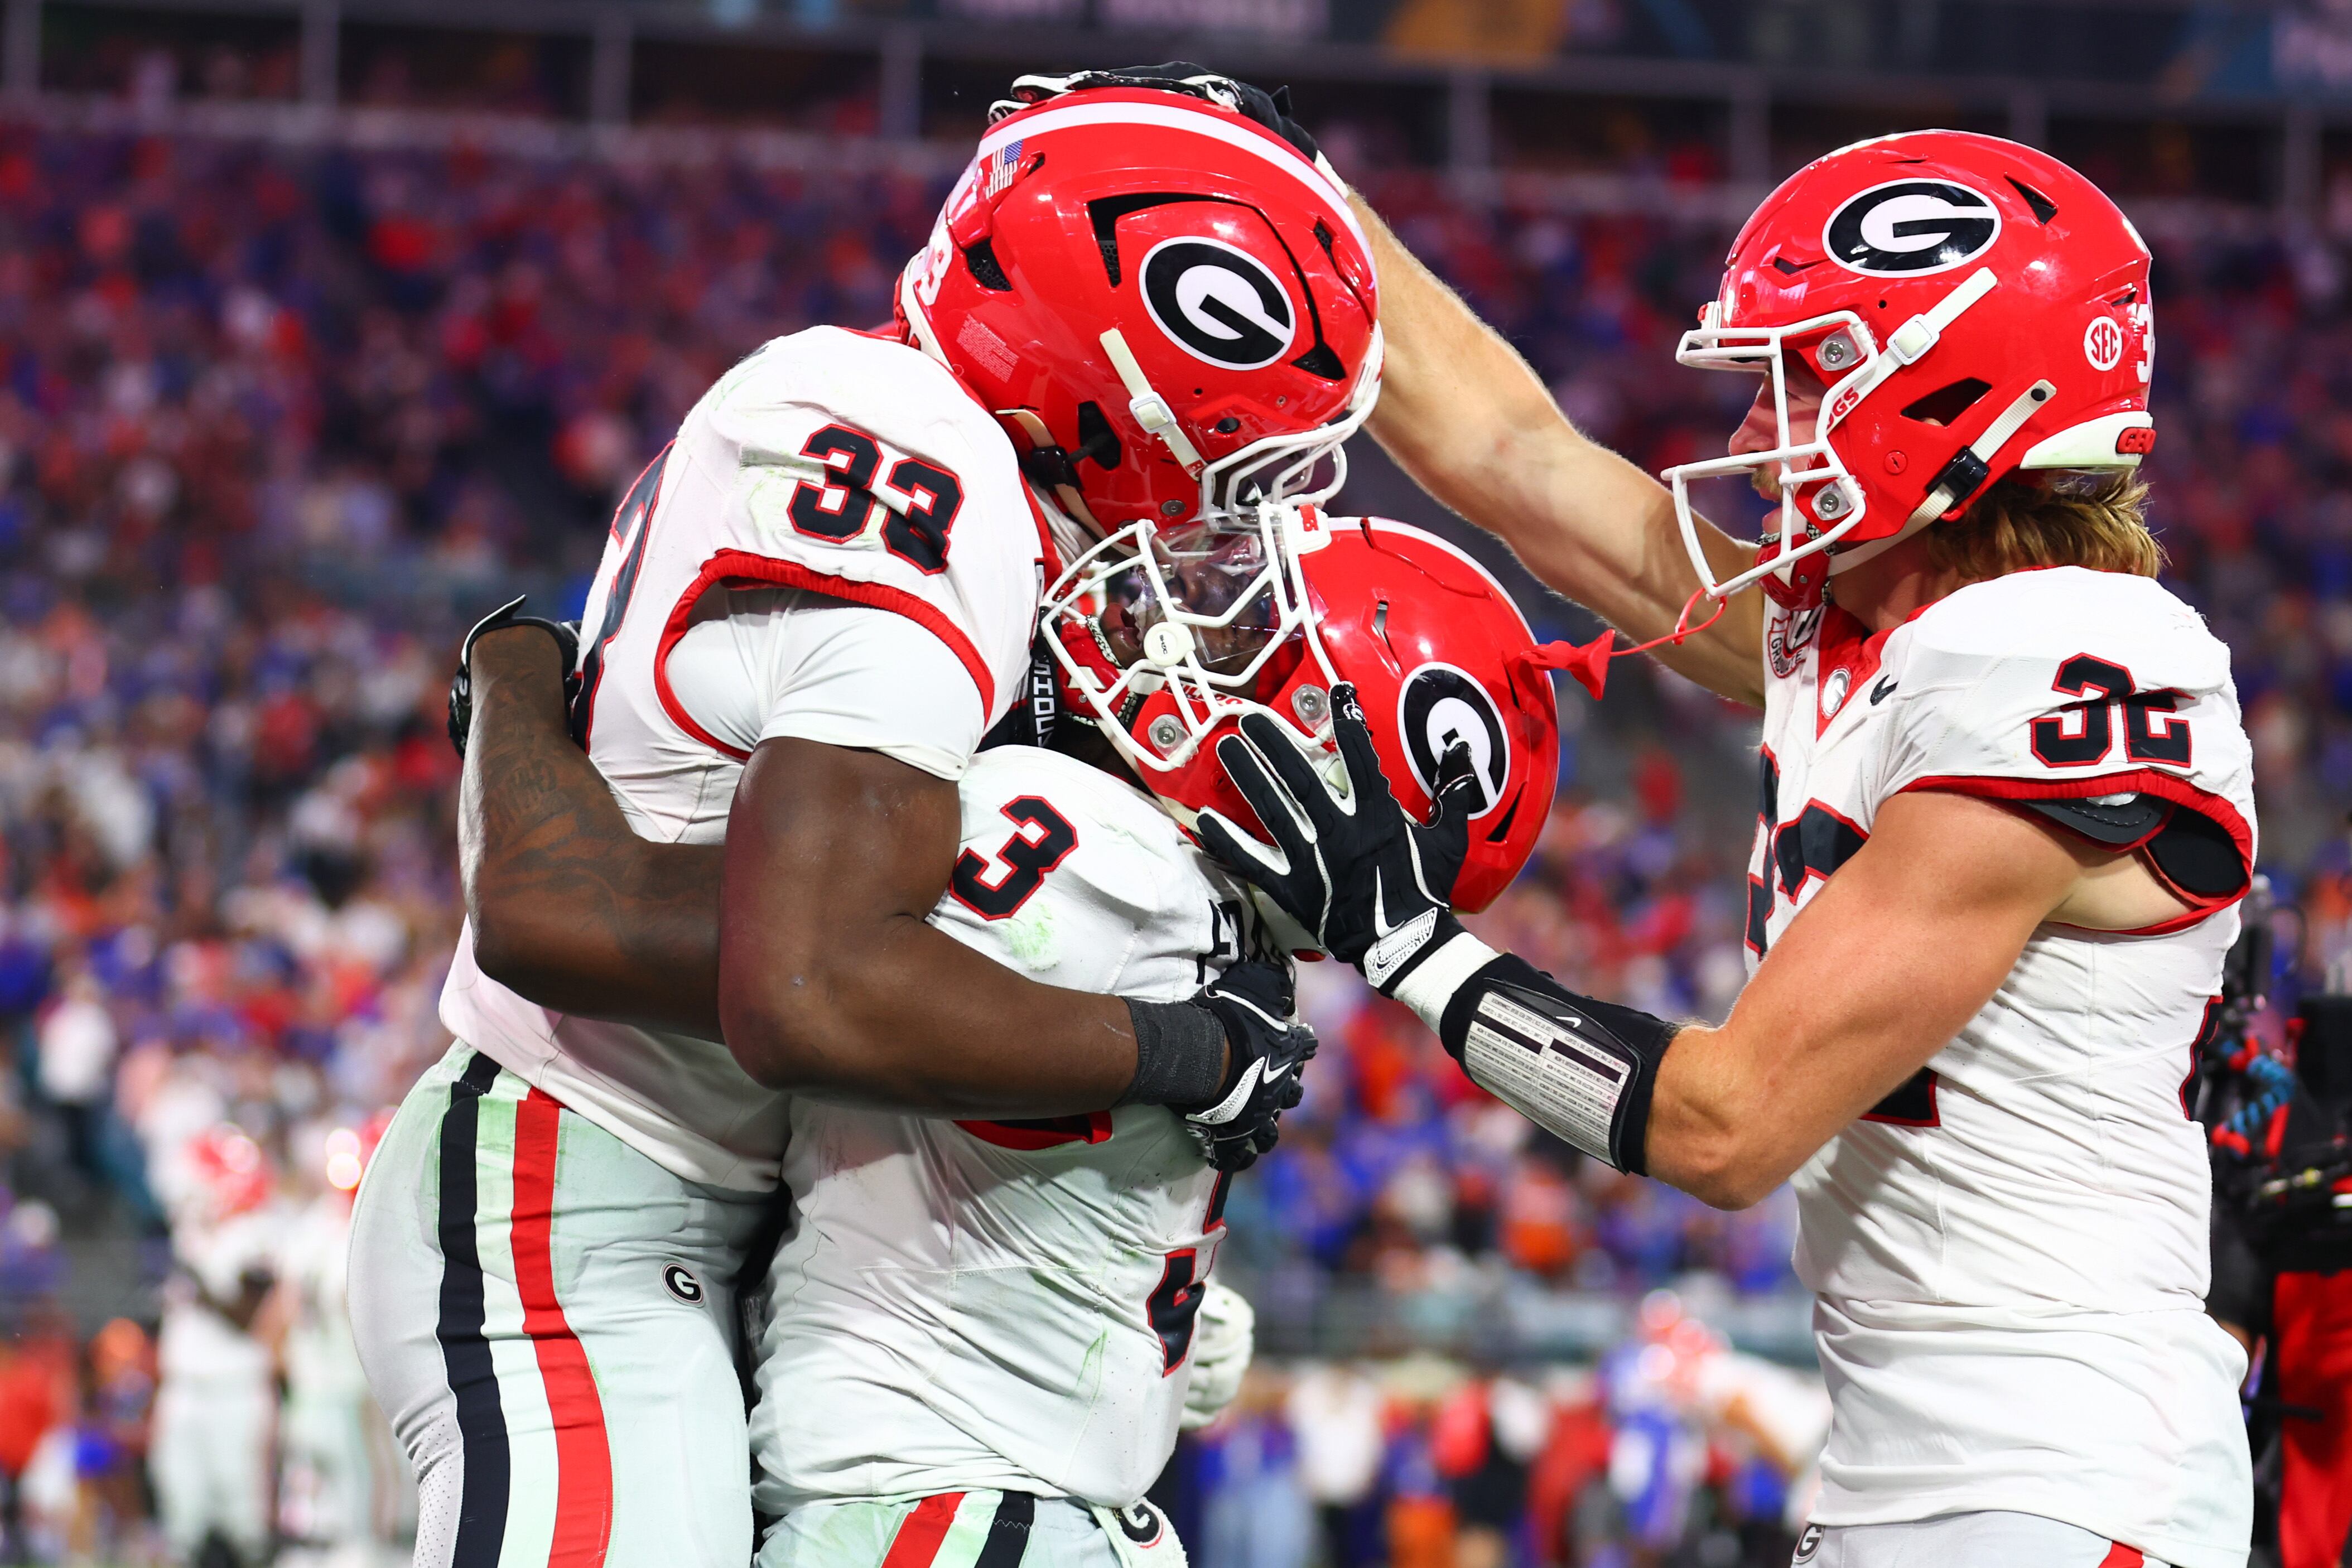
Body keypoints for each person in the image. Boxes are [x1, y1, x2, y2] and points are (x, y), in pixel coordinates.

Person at [1176, 110, 2254, 1568]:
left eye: (1797, 377)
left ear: (1950, 398)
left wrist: (1412, 947)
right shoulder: (1868, 634)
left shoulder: (2064, 652)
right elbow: (1518, 459)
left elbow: (1728, 1123)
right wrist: (1289, 188)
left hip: (2059, 1479)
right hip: (1919, 1469)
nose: (1751, 433)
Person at [349, 79, 1379, 1568]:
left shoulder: (950, 469)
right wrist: (1184, 1050)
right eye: (1234, 447)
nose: (1233, 509)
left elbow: (898, 943)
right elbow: (807, 978)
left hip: (720, 1205)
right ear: (1111, 361)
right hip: (581, 1182)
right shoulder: (916, 457)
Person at [751, 509, 1558, 1568]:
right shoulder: (1224, 930)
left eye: (1245, 634)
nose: (1182, 625)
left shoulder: (1098, 843)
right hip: (1032, 1507)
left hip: (940, 1511)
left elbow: (800, 983)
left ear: (1320, 750)